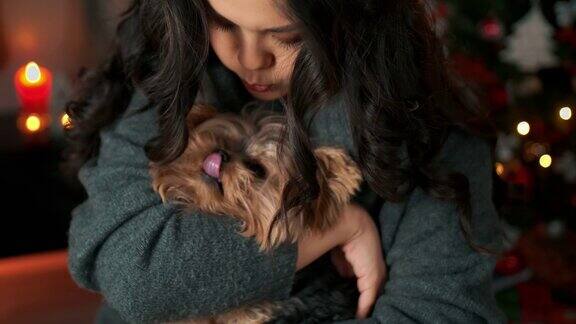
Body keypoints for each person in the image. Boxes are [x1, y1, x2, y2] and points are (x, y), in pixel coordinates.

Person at [63, 0, 506, 323]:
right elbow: (132, 272)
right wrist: (330, 226)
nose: (251, 59)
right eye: (223, 24)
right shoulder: (164, 80)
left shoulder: (435, 136)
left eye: (289, 35)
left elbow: (442, 312)